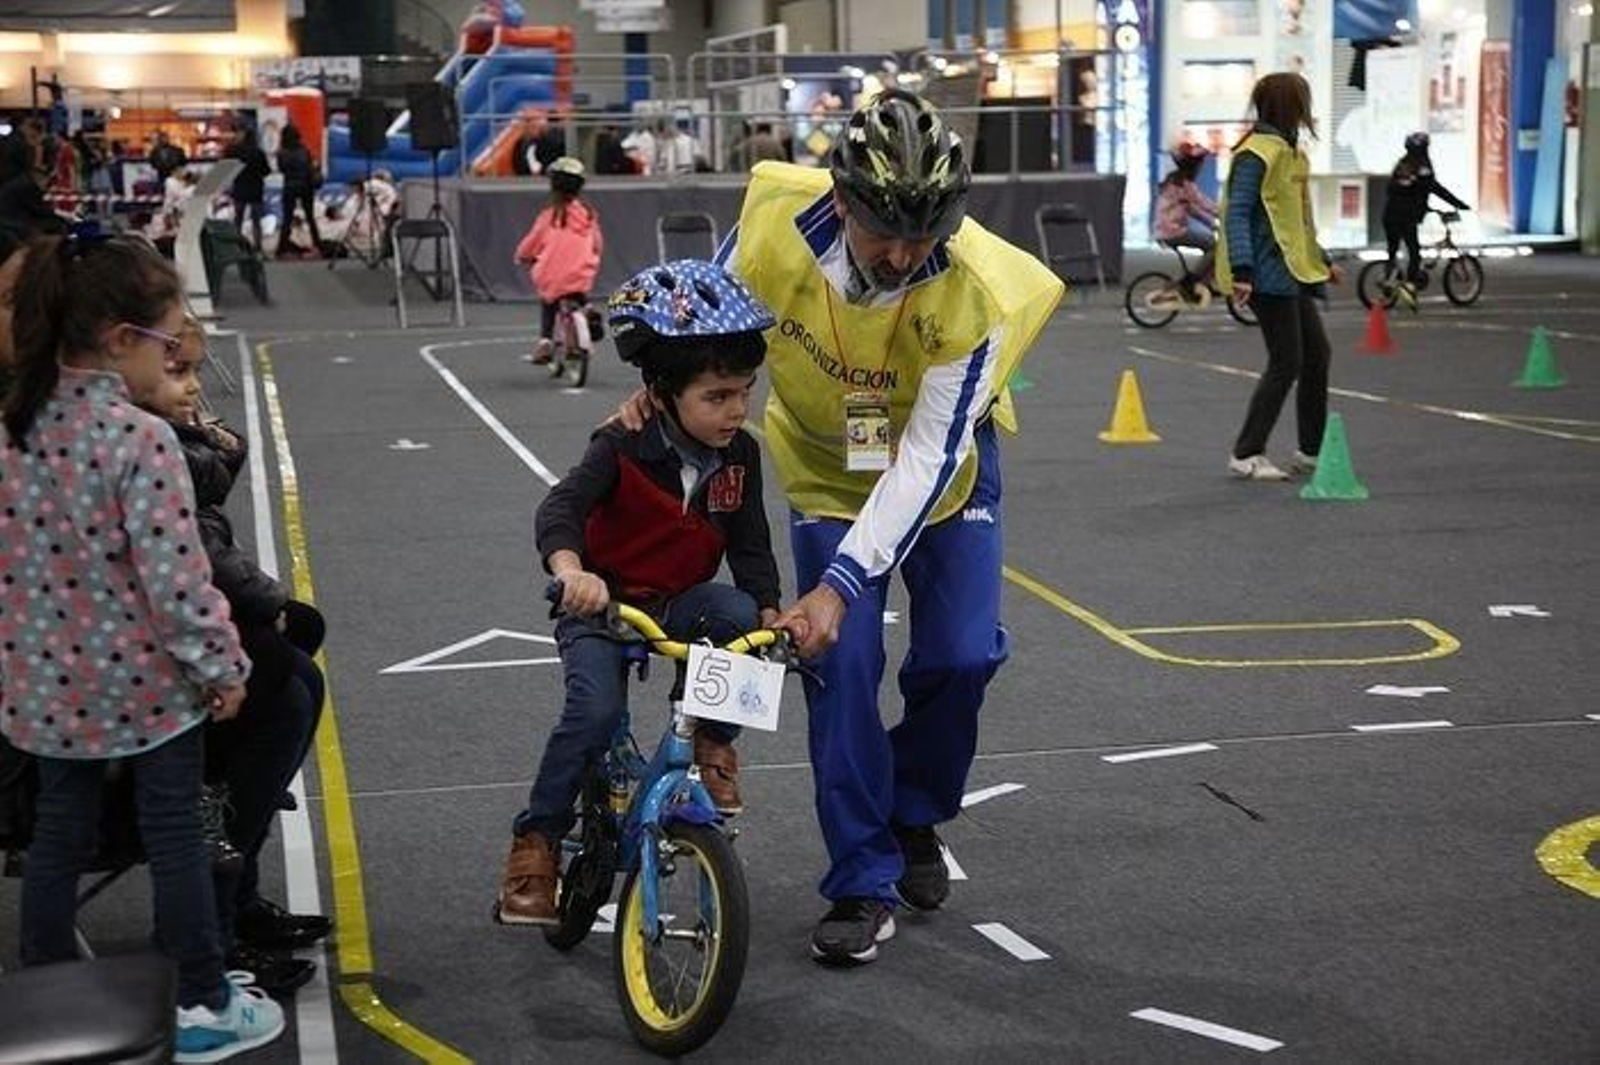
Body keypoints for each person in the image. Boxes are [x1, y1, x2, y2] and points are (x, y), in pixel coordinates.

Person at [621, 89, 1062, 965]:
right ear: (843, 202)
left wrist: (845, 581)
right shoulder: (776, 225)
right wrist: (662, 388)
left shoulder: (980, 298)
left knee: (962, 656)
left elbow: (924, 460)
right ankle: (862, 877)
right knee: (841, 661)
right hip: (826, 471)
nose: (903, 255)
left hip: (942, 477)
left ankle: (914, 810)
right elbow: (707, 315)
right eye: (884, 232)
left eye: (925, 234)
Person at [0, 233, 284, 1061]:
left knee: (58, 835)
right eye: (167, 343)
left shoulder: (16, 431)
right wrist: (222, 666)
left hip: (43, 687)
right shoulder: (139, 440)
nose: (173, 357)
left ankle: (48, 996)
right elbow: (177, 580)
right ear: (121, 340)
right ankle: (200, 995)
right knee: (176, 836)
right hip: (146, 691)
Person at [496, 259, 783, 925]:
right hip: (603, 605)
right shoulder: (621, 442)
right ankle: (535, 840)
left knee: (739, 618)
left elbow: (750, 544)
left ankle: (712, 745)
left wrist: (772, 611)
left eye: (743, 392)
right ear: (661, 391)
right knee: (593, 716)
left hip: (678, 602)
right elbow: (559, 511)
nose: (736, 410)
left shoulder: (739, 454)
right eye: (716, 396)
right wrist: (572, 572)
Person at [134, 318, 333, 995]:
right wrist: (272, 602)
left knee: (299, 680)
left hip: (193, 619)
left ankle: (237, 899)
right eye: (181, 371)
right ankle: (210, 936)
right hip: (156, 651)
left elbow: (210, 499)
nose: (195, 387)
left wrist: (208, 431)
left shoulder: (168, 431)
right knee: (273, 703)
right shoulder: (138, 441)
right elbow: (197, 548)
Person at [1216, 71, 1344, 482]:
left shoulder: (1290, 152)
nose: (1309, 109)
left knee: (1316, 355)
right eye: (1304, 101)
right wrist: (1242, 270)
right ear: (1292, 106)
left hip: (1291, 271)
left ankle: (1310, 449)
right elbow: (1236, 213)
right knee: (1287, 360)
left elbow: (1296, 219)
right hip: (1264, 274)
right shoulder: (1257, 153)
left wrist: (1321, 260)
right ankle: (1247, 452)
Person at [513, 156, 603, 366]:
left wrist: (522, 255)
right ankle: (588, 309)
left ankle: (545, 341)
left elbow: (532, 242)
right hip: (581, 270)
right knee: (576, 289)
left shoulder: (550, 216)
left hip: (553, 273)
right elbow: (597, 242)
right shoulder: (588, 214)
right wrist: (595, 255)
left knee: (549, 301)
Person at [1383, 131, 1469, 297]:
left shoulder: (1402, 164)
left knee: (1392, 251)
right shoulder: (1423, 165)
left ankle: (1388, 278)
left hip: (1389, 213)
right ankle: (1408, 289)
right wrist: (1458, 204)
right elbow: (1434, 188)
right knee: (1414, 252)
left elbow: (1397, 188)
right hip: (1406, 216)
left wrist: (1423, 206)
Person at [1153, 140, 1220, 296]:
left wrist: (1212, 225)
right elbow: (1204, 204)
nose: (1202, 167)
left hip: (1164, 230)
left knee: (1211, 243)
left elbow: (1192, 210)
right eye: (1200, 165)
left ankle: (1202, 283)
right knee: (1214, 247)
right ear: (1193, 166)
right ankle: (1190, 282)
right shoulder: (1185, 185)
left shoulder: (1174, 181)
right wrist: (1226, 214)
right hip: (1172, 231)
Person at [275, 124, 322, 258]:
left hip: (290, 186)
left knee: (287, 218)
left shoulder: (282, 152)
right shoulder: (304, 150)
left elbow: (282, 169)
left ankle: (282, 248)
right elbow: (310, 167)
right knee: (310, 217)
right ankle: (317, 244)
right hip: (306, 186)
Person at [227, 127, 272, 250]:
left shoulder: (235, 151)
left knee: (238, 218)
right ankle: (258, 245)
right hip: (256, 188)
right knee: (256, 220)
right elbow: (267, 171)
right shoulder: (259, 152)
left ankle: (236, 245)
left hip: (240, 187)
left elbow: (227, 166)